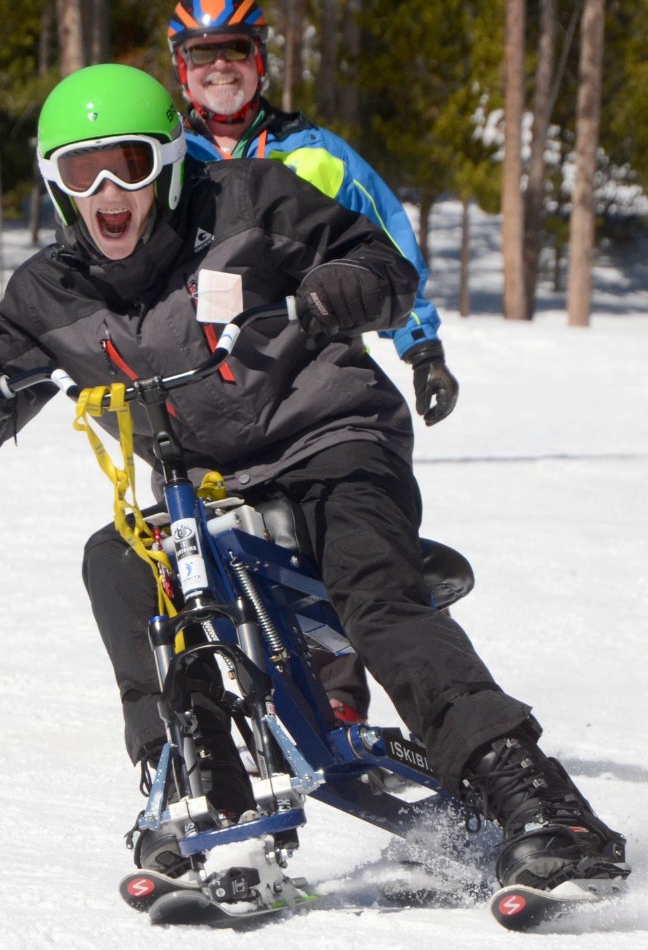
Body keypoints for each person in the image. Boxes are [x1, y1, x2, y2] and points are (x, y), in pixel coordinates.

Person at [0, 64, 628, 893]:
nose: (108, 190)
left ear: (171, 164)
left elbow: (384, 268)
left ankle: (537, 800)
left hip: (330, 439)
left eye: (130, 165)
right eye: (83, 171)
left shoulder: (253, 202)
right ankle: (193, 780)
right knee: (116, 562)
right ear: (56, 185)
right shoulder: (49, 292)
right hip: (213, 489)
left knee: (373, 593)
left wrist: (342, 290)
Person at [167, 0, 459, 726]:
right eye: (202, 56)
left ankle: (353, 674)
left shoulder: (318, 152)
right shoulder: (167, 161)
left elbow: (388, 246)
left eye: (232, 50)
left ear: (259, 58)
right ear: (181, 71)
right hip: (209, 384)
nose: (219, 68)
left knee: (331, 513)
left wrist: (420, 346)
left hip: (317, 371)